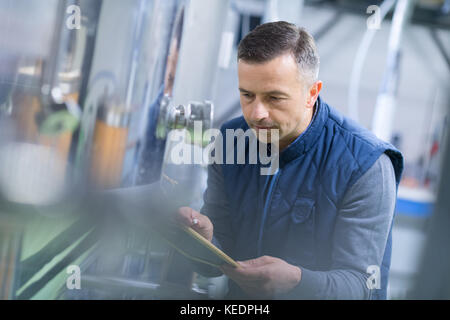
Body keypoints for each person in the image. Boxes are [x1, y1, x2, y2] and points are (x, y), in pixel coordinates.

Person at [176, 21, 403, 299]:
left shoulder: (367, 166)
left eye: (274, 98)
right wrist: (206, 239)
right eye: (247, 95)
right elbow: (217, 261)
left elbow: (361, 286)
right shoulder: (231, 141)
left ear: (312, 93)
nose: (257, 113)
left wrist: (298, 281)